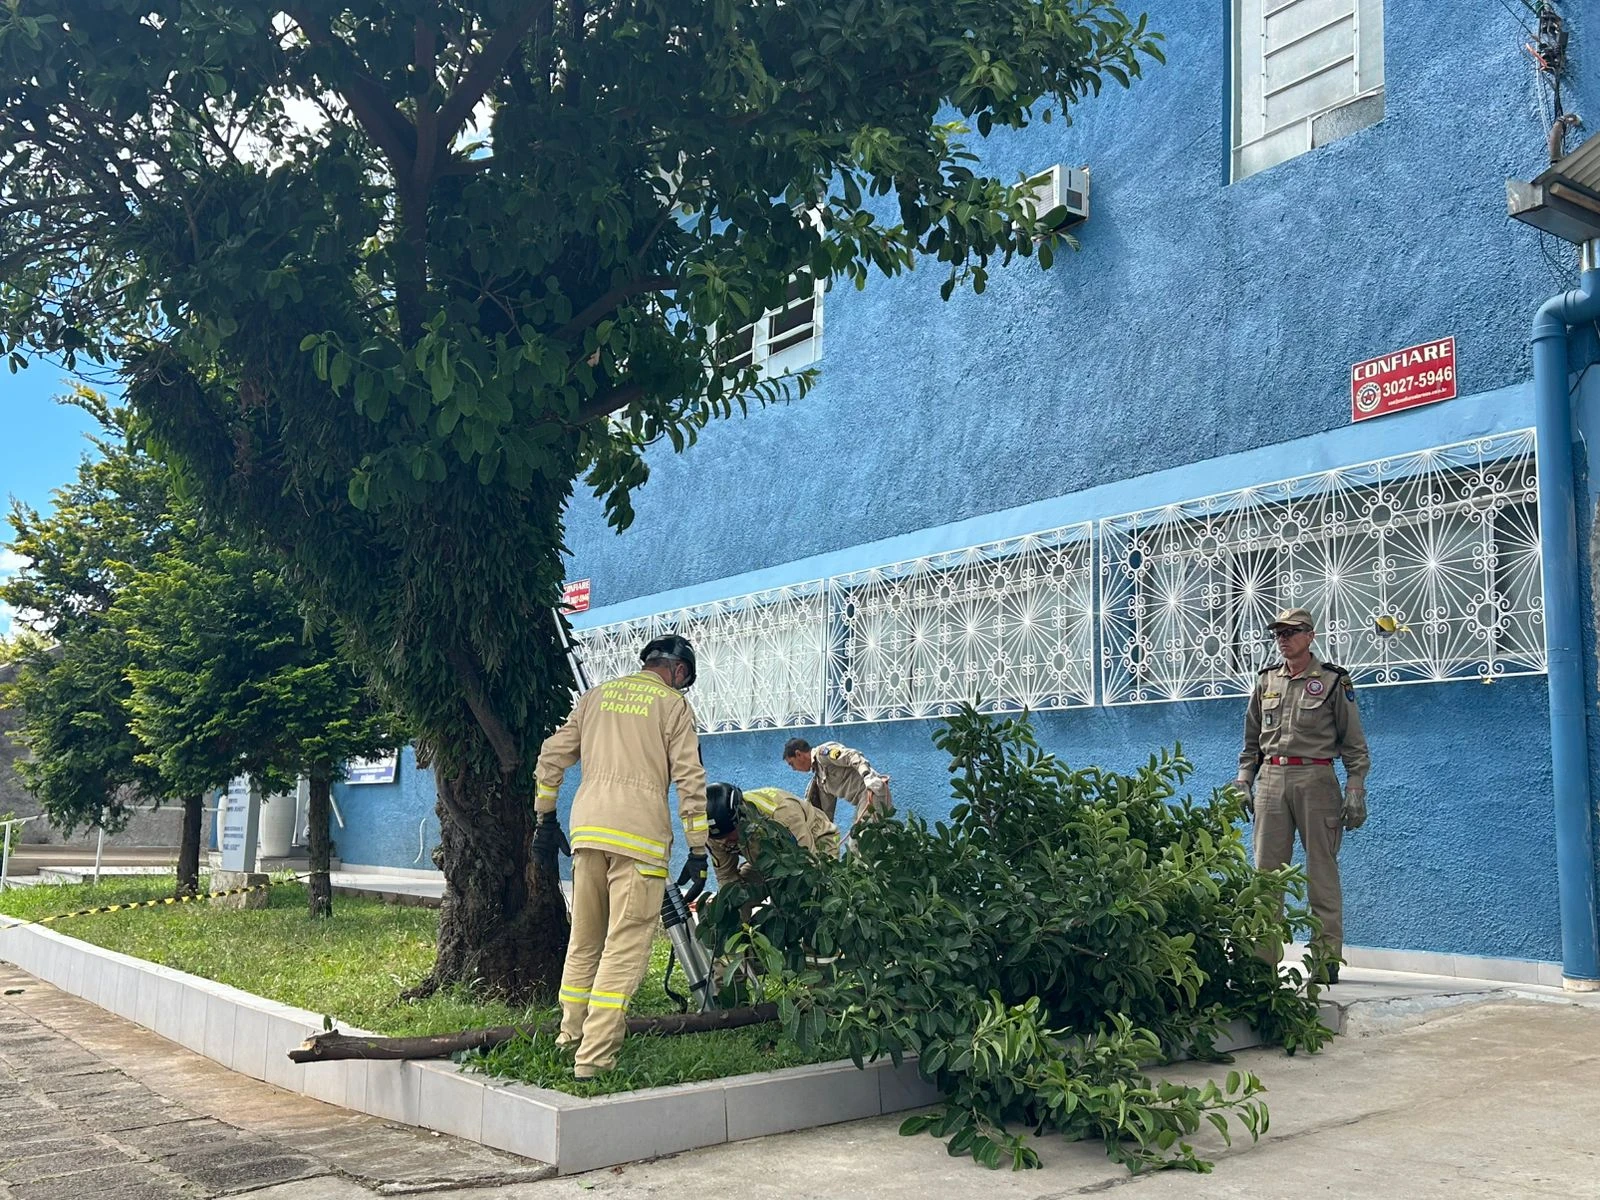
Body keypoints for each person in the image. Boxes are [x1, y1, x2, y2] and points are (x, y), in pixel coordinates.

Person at [532, 634, 709, 1079]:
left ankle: (568, 1038)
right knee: (624, 948)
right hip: (640, 841)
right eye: (684, 681)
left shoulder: (595, 698)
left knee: (585, 941)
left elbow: (551, 756)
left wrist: (545, 817)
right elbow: (690, 780)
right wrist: (699, 848)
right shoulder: (673, 706)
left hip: (588, 834)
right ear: (679, 672)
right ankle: (594, 1061)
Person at [1233, 607, 1371, 985]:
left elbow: (1354, 745)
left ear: (1310, 636)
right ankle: (1263, 964)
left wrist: (1355, 787)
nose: (1283, 638)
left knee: (1321, 873)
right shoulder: (1265, 682)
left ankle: (1326, 959)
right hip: (1272, 781)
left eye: (1292, 632)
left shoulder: (1331, 681)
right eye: (1278, 632)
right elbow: (1251, 743)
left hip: (1316, 779)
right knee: (1265, 875)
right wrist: (1244, 779)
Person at [706, 782, 841, 899]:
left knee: (815, 893)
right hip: (766, 858)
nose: (725, 842)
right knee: (733, 900)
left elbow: (808, 864)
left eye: (730, 835)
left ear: (740, 817)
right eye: (719, 838)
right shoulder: (714, 831)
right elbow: (726, 878)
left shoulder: (782, 814)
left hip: (816, 840)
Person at [781, 737, 893, 824]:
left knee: (863, 841)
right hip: (862, 801)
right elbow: (826, 814)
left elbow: (852, 755)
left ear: (798, 754)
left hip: (872, 792)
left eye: (792, 764)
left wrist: (867, 775)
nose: (794, 769)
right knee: (856, 845)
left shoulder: (823, 754)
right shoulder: (819, 780)